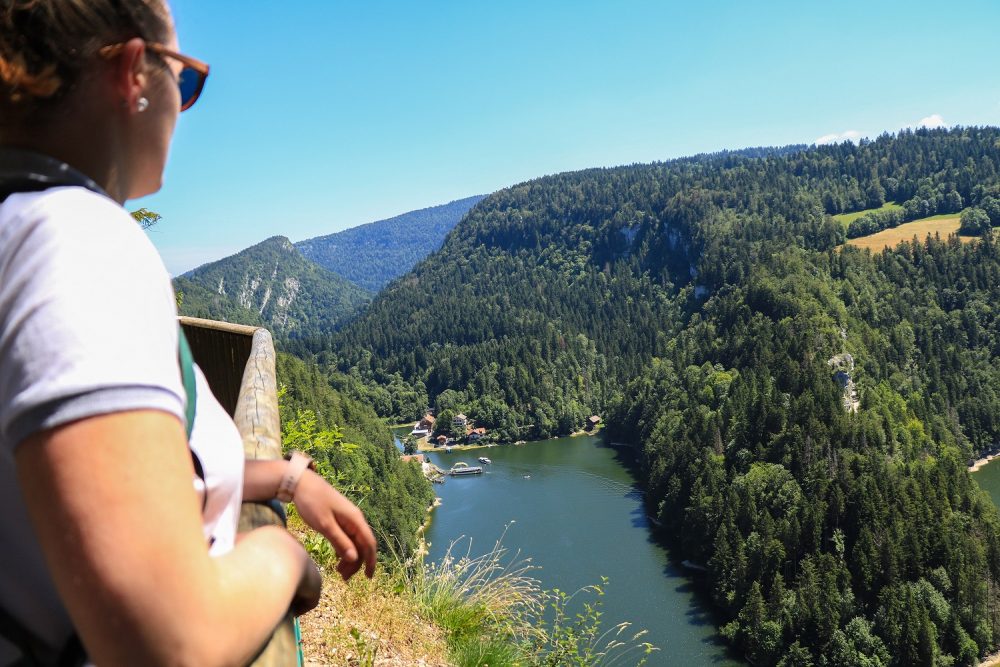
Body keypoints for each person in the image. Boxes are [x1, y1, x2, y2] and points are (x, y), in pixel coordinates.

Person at [0, 1, 377, 665]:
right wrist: (283, 556)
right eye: (189, 79)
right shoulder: (75, 244)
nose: (186, 107)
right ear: (134, 73)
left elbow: (124, 470)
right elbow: (173, 643)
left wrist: (288, 479)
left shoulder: (21, 229)